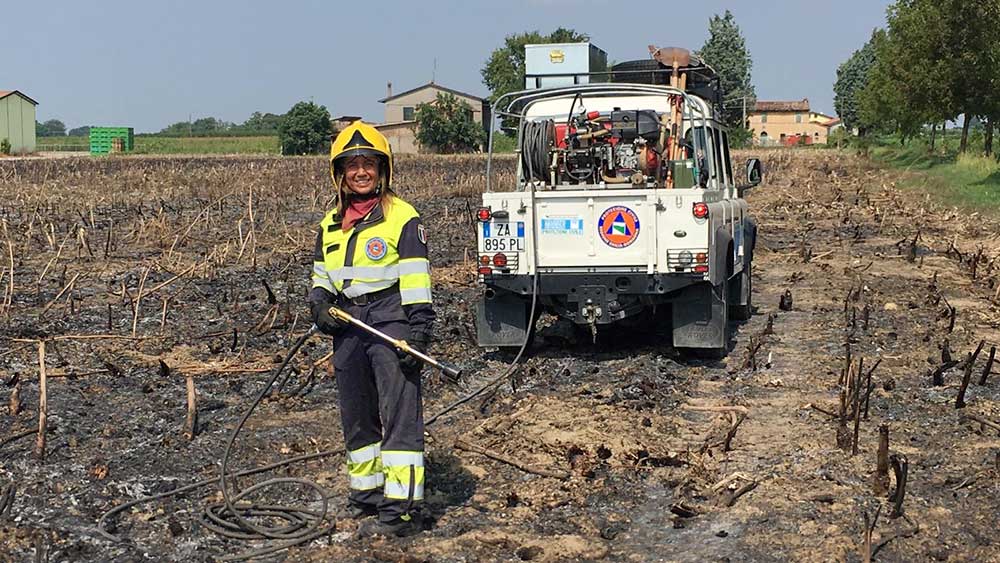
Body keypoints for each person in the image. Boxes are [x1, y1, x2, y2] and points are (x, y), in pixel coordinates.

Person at [308, 121, 434, 537]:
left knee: (399, 416)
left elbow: (416, 277)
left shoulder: (403, 217)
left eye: (369, 164)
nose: (361, 171)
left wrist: (418, 329)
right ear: (339, 173)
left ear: (383, 169)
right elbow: (323, 271)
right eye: (352, 165)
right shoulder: (331, 222)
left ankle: (401, 511)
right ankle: (368, 494)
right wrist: (319, 301)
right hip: (348, 323)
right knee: (357, 414)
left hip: (390, 317)